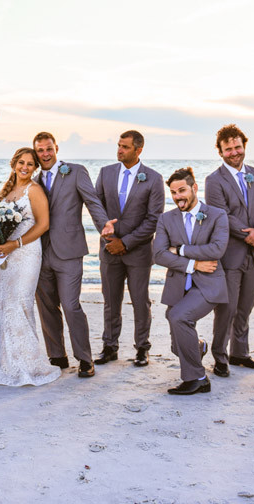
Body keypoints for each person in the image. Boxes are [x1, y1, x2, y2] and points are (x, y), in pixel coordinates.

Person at [0, 148, 60, 386]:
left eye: (30, 164)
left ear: (35, 168)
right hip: (3, 256)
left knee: (19, 302)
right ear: (13, 164)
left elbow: (43, 225)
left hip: (26, 254)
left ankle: (22, 361)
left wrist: (14, 244)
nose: (25, 167)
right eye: (21, 162)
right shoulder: (5, 191)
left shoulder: (34, 191)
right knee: (2, 300)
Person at [32, 132, 115, 379]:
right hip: (39, 252)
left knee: (70, 305)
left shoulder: (76, 171)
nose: (45, 154)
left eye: (49, 149)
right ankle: (57, 356)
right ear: (35, 152)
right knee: (46, 307)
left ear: (56, 148)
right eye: (40, 151)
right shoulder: (33, 180)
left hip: (69, 251)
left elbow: (92, 201)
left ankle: (85, 358)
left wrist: (104, 226)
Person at [203, 124, 254, 377]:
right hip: (230, 254)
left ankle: (240, 353)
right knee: (227, 308)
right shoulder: (214, 181)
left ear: (244, 146)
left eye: (237, 147)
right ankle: (220, 355)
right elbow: (222, 216)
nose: (234, 153)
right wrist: (251, 235)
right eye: (228, 149)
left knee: (245, 307)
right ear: (220, 152)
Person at [153, 167, 229, 395]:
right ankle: (199, 347)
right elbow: (158, 254)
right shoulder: (166, 219)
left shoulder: (217, 215)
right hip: (179, 284)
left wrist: (182, 250)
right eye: (174, 192)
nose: (178, 197)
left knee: (178, 316)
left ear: (194, 188)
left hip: (208, 285)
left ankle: (197, 378)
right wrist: (193, 264)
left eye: (182, 190)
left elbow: (218, 248)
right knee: (178, 345)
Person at [93, 130, 165, 367]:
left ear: (138, 150)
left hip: (139, 252)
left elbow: (154, 219)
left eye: (125, 147)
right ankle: (110, 347)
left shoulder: (153, 178)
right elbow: (97, 209)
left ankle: (142, 348)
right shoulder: (105, 173)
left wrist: (125, 242)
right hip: (108, 249)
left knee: (140, 301)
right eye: (119, 145)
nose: (119, 150)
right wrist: (109, 239)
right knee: (111, 301)